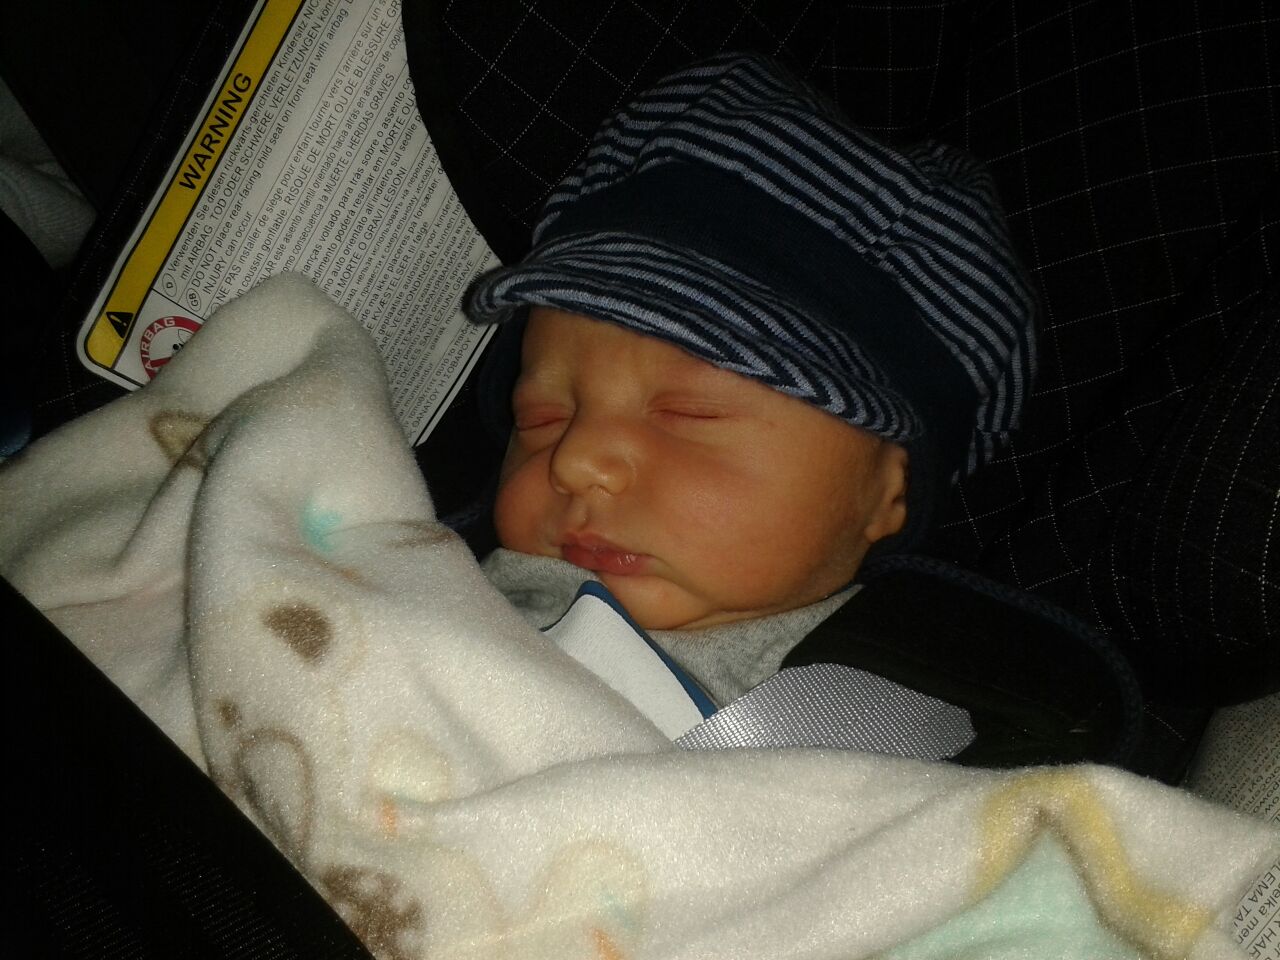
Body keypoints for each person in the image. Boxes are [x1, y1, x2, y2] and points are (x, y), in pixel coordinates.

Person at [464, 51, 1036, 709]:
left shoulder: (885, 722)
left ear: (889, 493)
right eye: (539, 417)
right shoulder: (443, 585)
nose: (576, 460)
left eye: (687, 413)